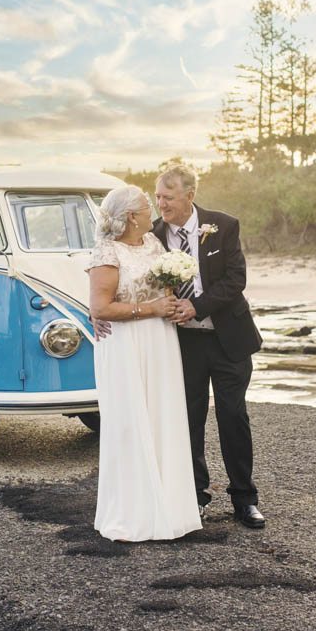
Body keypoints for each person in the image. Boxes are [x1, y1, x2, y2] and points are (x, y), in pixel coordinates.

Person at [86, 184, 202, 542]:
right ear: (131, 216)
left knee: (162, 419)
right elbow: (100, 308)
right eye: (146, 204)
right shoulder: (106, 252)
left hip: (160, 342)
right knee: (130, 423)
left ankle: (171, 510)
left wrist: (166, 302)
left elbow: (161, 289)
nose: (152, 207)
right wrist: (150, 309)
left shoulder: (152, 244)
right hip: (124, 345)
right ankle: (132, 515)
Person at [153, 164, 265, 529]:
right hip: (183, 344)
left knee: (233, 416)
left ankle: (245, 500)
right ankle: (195, 497)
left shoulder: (223, 225)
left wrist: (197, 305)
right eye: (157, 197)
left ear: (190, 196)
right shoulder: (152, 236)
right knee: (188, 420)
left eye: (167, 198)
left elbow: (237, 279)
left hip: (228, 340)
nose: (161, 204)